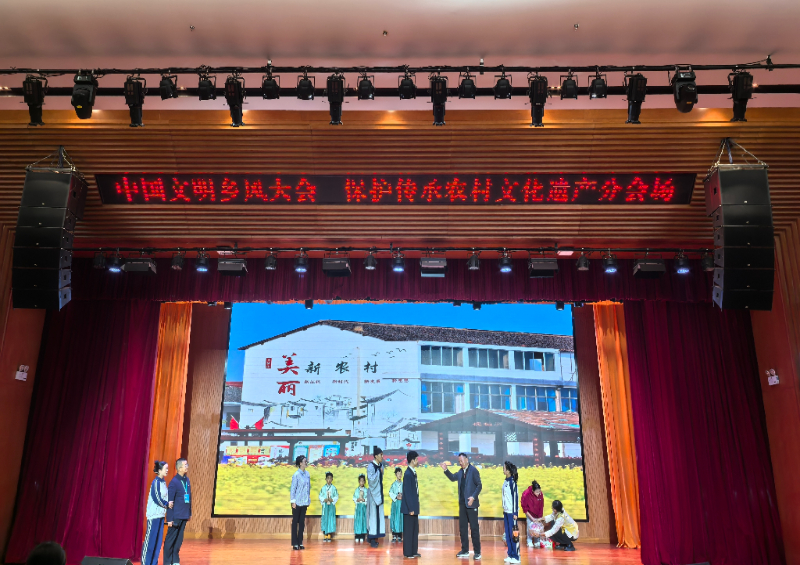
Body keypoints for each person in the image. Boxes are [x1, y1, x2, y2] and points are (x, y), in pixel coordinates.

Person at [440, 453, 482, 560]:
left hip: (471, 504)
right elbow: (453, 478)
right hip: (462, 504)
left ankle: (477, 552)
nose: (460, 463)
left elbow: (479, 485)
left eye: (461, 461)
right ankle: (465, 550)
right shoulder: (460, 471)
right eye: (459, 461)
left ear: (467, 459)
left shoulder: (473, 470)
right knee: (463, 528)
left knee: (474, 529)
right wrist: (445, 470)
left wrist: (473, 497)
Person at [164, 458, 191, 565]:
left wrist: (189, 513)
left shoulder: (186, 480)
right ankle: (167, 562)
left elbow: (189, 498)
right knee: (170, 539)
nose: (187, 466)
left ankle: (175, 560)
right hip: (176, 516)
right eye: (185, 465)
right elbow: (170, 502)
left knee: (179, 540)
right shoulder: (174, 482)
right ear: (179, 468)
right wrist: (169, 519)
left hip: (184, 515)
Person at [143, 460, 170, 565]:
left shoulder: (163, 482)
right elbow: (156, 498)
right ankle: (146, 563)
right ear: (159, 470)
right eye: (165, 468)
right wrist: (167, 504)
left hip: (161, 515)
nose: (167, 470)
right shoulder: (156, 482)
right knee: (150, 542)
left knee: (157, 543)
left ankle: (154, 563)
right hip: (153, 516)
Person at [401, 451, 421, 559]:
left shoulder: (412, 472)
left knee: (414, 530)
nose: (418, 461)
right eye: (416, 459)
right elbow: (407, 492)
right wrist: (411, 508)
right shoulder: (408, 474)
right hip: (409, 509)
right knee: (409, 531)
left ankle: (414, 551)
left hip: (414, 507)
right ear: (412, 460)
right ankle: (408, 552)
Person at [366, 446, 387, 548]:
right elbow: (371, 481)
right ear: (375, 456)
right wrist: (378, 472)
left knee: (378, 516)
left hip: (379, 493)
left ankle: (375, 537)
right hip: (373, 494)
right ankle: (372, 537)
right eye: (380, 455)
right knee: (373, 516)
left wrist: (380, 471)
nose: (382, 456)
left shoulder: (381, 466)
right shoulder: (371, 466)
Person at [290, 455, 311, 550]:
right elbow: (293, 489)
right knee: (295, 522)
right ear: (300, 463)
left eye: (306, 461)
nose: (306, 463)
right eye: (304, 461)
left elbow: (308, 488)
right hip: (297, 501)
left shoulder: (307, 474)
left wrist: (308, 499)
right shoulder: (296, 475)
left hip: (304, 501)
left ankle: (300, 542)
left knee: (302, 522)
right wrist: (293, 501)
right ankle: (295, 543)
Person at [501, 461, 520, 564]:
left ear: (508, 471)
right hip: (506, 512)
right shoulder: (505, 482)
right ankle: (510, 554)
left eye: (504, 468)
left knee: (514, 535)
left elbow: (515, 498)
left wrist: (515, 512)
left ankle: (516, 556)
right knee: (508, 534)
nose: (503, 469)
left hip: (512, 513)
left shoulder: (512, 483)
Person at [521, 480, 544, 547]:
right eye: (536, 492)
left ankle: (537, 540)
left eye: (539, 491)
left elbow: (541, 506)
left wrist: (539, 518)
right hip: (529, 513)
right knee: (530, 526)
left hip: (537, 513)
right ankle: (529, 541)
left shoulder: (540, 494)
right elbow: (525, 508)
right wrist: (532, 518)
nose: (538, 494)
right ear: (533, 491)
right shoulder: (526, 494)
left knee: (537, 527)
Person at [319, 471, 339, 542]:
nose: (329, 480)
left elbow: (336, 496)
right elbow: (320, 496)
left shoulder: (334, 488)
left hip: (331, 506)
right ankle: (325, 534)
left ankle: (329, 534)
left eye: (330, 478)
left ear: (332, 479)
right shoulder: (323, 488)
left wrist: (332, 499)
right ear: (325, 479)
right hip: (325, 506)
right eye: (328, 478)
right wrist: (323, 499)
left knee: (330, 518)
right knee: (325, 518)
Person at [388, 467, 404, 543]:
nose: (399, 475)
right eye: (398, 473)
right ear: (395, 475)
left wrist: (402, 496)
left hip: (401, 504)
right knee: (395, 518)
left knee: (400, 518)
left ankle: (400, 536)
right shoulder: (393, 484)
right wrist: (396, 496)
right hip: (395, 504)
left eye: (400, 473)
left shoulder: (403, 484)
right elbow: (390, 492)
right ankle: (394, 535)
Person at [353, 474, 368, 542]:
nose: (362, 482)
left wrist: (364, 500)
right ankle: (357, 535)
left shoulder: (366, 490)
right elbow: (354, 497)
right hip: (358, 507)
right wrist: (357, 499)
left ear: (364, 482)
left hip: (363, 507)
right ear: (359, 481)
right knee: (358, 520)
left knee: (363, 520)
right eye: (360, 481)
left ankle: (362, 535)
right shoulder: (357, 490)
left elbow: (368, 498)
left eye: (363, 481)